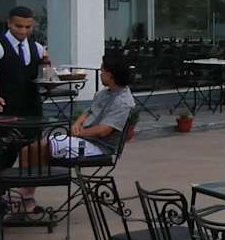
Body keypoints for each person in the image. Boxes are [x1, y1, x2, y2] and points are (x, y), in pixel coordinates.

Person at [9, 57, 135, 212]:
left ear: (110, 75)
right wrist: (76, 124)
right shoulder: (104, 93)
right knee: (27, 151)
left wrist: (79, 134)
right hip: (85, 139)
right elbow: (89, 111)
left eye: (102, 71)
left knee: (36, 149)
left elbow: (104, 130)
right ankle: (26, 196)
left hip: (98, 146)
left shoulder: (123, 101)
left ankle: (25, 198)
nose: (100, 73)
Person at [0, 5, 49, 118]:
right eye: (18, 26)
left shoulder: (37, 47)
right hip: (6, 109)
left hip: (34, 110)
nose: (23, 31)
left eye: (28, 27)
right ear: (9, 23)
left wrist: (48, 71)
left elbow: (44, 77)